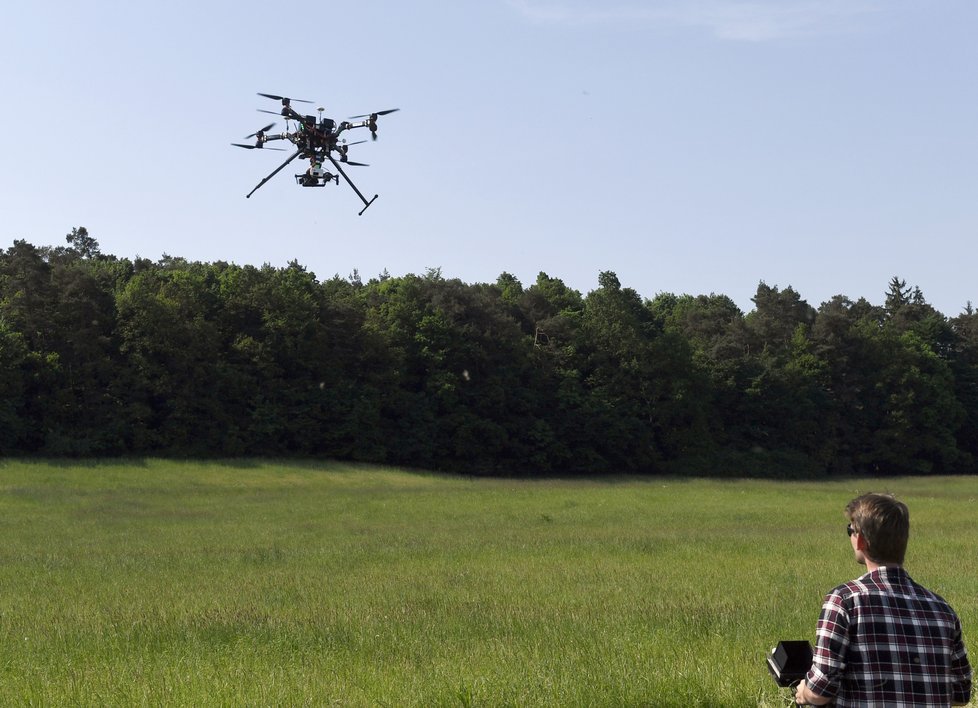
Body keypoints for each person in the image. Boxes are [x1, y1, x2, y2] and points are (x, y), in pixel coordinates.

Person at [795, 492, 971, 706]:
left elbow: (820, 691)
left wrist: (803, 691)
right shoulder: (942, 609)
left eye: (850, 530)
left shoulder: (844, 600)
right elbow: (961, 694)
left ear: (860, 540)